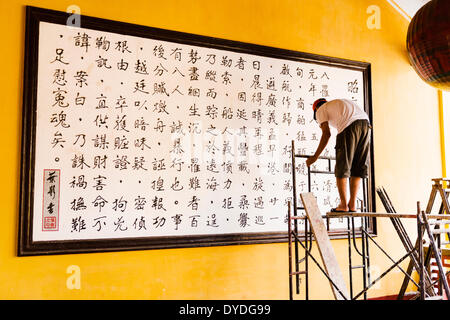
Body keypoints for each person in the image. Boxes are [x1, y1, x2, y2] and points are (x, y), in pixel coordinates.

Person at [306, 98, 371, 212]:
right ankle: (352, 204)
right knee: (357, 167)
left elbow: (326, 134)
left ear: (316, 108)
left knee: (342, 166)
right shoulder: (337, 104)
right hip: (366, 125)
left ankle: (343, 204)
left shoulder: (320, 110)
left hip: (349, 127)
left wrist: (314, 157)